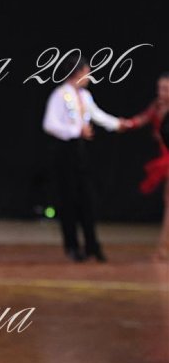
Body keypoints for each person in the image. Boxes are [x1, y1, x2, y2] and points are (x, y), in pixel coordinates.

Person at [42, 56, 129, 262]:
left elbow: (97, 114)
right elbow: (49, 124)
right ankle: (72, 246)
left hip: (80, 152)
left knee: (87, 199)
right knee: (69, 200)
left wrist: (118, 124)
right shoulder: (60, 95)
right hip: (65, 152)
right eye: (87, 73)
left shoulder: (85, 96)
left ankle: (92, 244)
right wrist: (75, 131)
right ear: (77, 73)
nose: (89, 77)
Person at [123, 73, 169, 260]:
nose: (161, 92)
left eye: (165, 89)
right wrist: (125, 123)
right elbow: (142, 119)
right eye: (159, 88)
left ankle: (164, 249)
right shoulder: (157, 106)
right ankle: (164, 248)